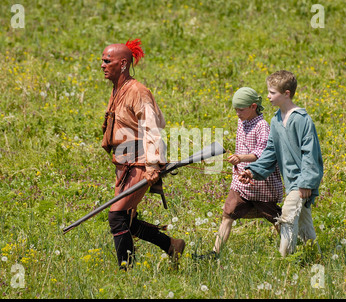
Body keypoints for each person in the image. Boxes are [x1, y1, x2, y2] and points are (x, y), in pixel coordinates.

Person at [100, 39, 185, 269]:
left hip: (139, 161)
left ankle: (126, 272)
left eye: (108, 61)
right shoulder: (117, 88)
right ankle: (171, 245)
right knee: (128, 219)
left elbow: (152, 128)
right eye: (102, 61)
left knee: (117, 217)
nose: (103, 65)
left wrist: (152, 165)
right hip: (124, 162)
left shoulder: (138, 91)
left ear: (123, 63)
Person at [239, 70, 323, 257]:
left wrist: (306, 183)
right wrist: (252, 171)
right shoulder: (276, 120)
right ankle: (315, 257)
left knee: (286, 217)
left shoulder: (302, 120)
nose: (268, 96)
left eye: (272, 92)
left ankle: (285, 260)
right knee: (304, 224)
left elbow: (310, 153)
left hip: (301, 182)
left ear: (286, 94)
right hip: (291, 182)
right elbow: (270, 152)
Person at [197, 87, 284, 259]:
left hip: (261, 184)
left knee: (276, 219)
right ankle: (215, 253)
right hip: (241, 183)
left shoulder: (262, 126)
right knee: (228, 214)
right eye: (235, 109)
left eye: (241, 109)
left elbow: (263, 152)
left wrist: (241, 157)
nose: (237, 113)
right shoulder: (241, 122)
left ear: (253, 106)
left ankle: (291, 248)